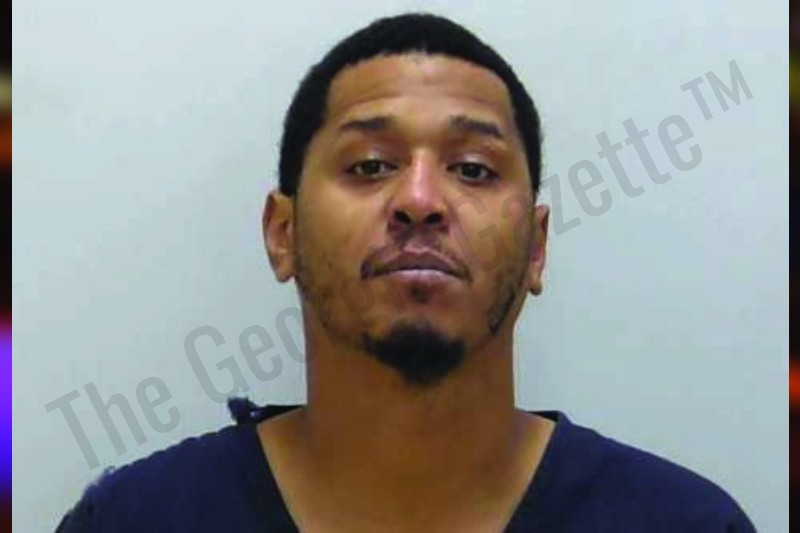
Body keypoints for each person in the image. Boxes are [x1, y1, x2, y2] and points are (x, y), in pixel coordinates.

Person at [56, 12, 755, 532]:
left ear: (537, 247)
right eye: (370, 165)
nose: (420, 200)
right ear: (283, 233)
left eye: (473, 170)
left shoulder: (686, 523)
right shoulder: (134, 520)